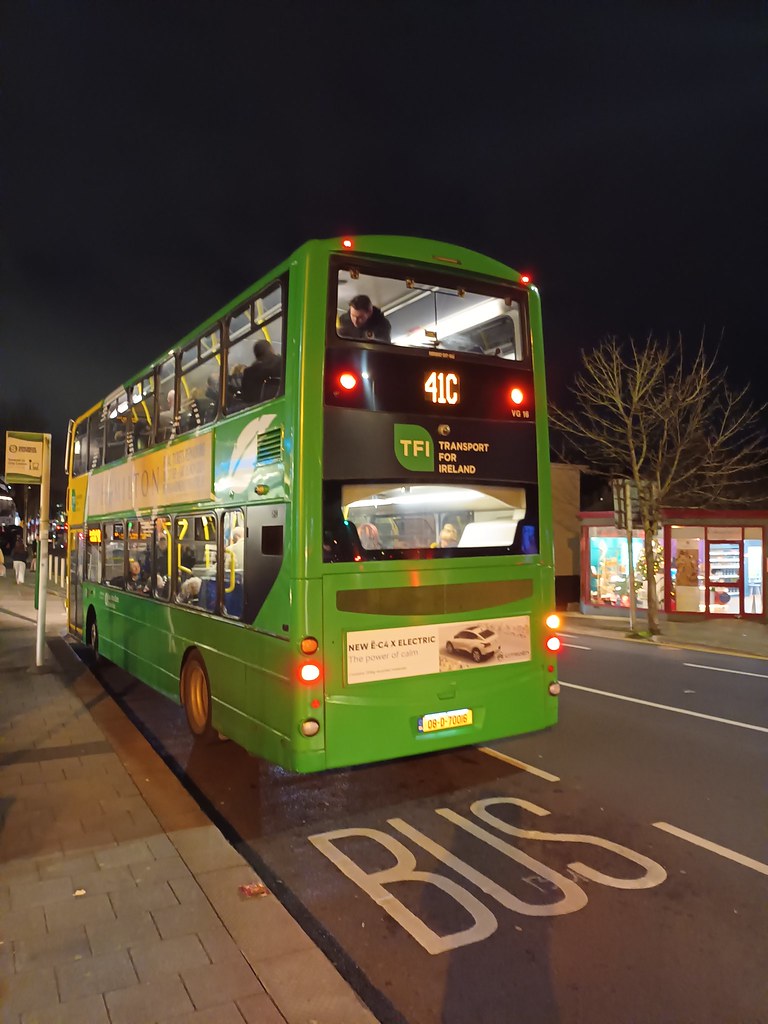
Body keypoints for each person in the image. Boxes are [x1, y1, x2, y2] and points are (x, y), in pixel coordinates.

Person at [241, 338, 281, 404]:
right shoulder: (282, 363)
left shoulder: (249, 373)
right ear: (270, 349)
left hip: (256, 408)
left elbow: (246, 398)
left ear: (255, 354)